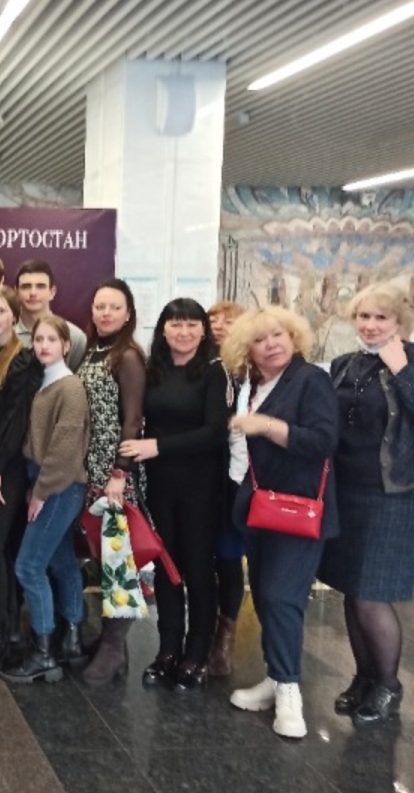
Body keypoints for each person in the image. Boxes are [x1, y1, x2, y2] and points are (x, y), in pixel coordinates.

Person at [318, 283, 414, 724]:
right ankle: (364, 678)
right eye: (364, 317)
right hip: (347, 490)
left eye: (381, 317)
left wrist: (401, 368)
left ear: (400, 322)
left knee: (371, 595)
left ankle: (389, 686)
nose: (371, 325)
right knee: (350, 589)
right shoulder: (344, 364)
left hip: (396, 493)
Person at [223, 305, 339, 739]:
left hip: (299, 509)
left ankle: (290, 691)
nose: (271, 344)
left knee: (280, 597)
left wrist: (266, 425)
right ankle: (275, 677)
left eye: (278, 335)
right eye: (260, 339)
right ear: (246, 349)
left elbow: (323, 440)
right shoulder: (254, 384)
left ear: (294, 338)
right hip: (260, 508)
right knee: (265, 596)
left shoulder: (310, 380)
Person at [120, 298, 229, 690]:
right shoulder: (155, 369)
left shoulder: (214, 371)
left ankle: (196, 653)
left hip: (201, 486)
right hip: (160, 484)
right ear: (163, 330)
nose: (183, 332)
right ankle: (167, 650)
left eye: (191, 324)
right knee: (166, 568)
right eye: (175, 324)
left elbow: (215, 432)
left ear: (203, 330)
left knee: (198, 569)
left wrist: (158, 447)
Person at [1, 315, 91, 684]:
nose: (43, 346)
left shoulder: (69, 388)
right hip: (46, 480)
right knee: (61, 560)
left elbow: (64, 451)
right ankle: (71, 641)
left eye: (52, 340)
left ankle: (43, 654)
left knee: (28, 567)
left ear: (66, 345)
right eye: (38, 339)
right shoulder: (45, 381)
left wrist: (40, 492)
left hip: (59, 485)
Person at [79, 278, 148, 686]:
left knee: (119, 558)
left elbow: (133, 418)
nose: (105, 313)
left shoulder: (129, 356)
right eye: (99, 306)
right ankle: (112, 643)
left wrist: (119, 472)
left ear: (128, 314)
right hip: (90, 468)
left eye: (114, 307)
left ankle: (114, 645)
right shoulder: (93, 351)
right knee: (102, 555)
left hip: (115, 473)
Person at [0, 286, 43, 673]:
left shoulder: (24, 359)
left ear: (15, 315)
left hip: (8, 468)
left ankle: (2, 632)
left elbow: (16, 422)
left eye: (0, 310)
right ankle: (3, 625)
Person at [206, 300, 246, 678]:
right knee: (201, 556)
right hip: (203, 473)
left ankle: (226, 634)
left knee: (229, 556)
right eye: (212, 320)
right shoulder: (200, 364)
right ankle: (201, 629)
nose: (219, 326)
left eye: (228, 321)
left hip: (236, 477)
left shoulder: (249, 372)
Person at [14, 260, 88, 369]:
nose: (33, 293)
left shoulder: (74, 337)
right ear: (16, 292)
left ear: (52, 292)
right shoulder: (2, 338)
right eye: (26, 286)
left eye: (40, 286)